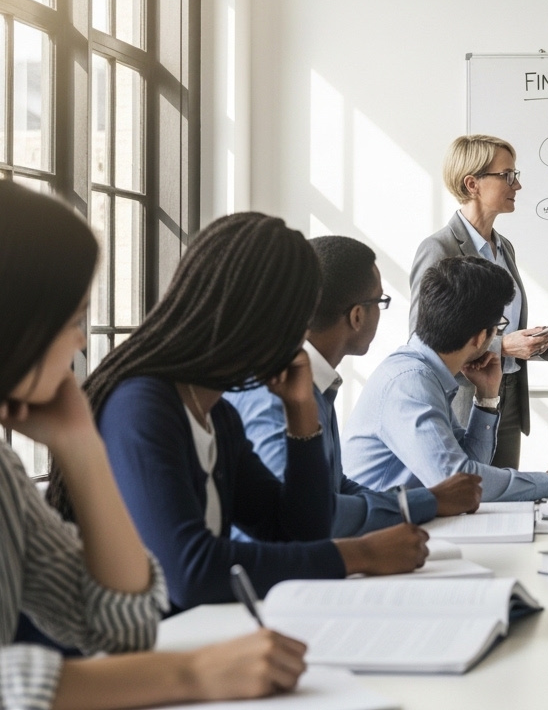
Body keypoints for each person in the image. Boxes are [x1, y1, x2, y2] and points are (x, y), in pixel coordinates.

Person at [0, 183, 311, 709]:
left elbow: (126, 629)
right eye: (71, 319)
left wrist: (82, 448)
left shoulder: (6, 474)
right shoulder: (144, 403)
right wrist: (190, 674)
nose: (81, 340)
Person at [48, 213, 429, 613]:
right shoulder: (142, 405)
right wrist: (359, 555)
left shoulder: (217, 413)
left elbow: (298, 534)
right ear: (255, 315)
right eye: (296, 318)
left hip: (195, 638)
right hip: (128, 655)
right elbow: (190, 573)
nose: (302, 333)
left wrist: (300, 412)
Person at [228, 236, 483, 537]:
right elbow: (298, 517)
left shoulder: (317, 379)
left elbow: (338, 488)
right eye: (380, 302)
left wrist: (423, 503)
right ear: (357, 315)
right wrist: (425, 502)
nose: (380, 312)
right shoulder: (274, 393)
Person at [345, 256, 548, 499]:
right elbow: (458, 480)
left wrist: (487, 397)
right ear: (481, 337)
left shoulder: (425, 373)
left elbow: (469, 465)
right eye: (499, 328)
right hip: (379, 528)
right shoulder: (411, 383)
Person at [411, 134, 548, 470]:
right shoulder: (439, 249)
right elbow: (422, 338)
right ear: (472, 183)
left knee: (507, 499)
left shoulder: (504, 248)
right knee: (473, 501)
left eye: (515, 175)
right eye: (507, 175)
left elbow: (501, 326)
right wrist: (504, 346)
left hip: (510, 391)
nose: (516, 185)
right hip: (463, 400)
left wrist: (540, 340)